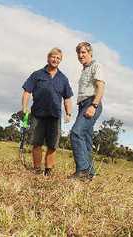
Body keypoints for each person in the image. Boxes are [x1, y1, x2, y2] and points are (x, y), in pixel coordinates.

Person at [22, 48, 73, 176]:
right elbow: (27, 91)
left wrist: (68, 113)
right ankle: (37, 169)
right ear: (48, 58)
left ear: (60, 61)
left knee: (52, 144)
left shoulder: (63, 79)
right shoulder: (37, 74)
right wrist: (24, 107)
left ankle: (48, 170)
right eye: (53, 57)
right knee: (36, 142)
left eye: (58, 58)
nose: (55, 60)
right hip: (38, 114)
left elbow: (67, 98)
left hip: (54, 116)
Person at [69, 42, 105, 180]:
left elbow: (100, 87)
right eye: (79, 53)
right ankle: (90, 173)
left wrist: (93, 105)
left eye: (83, 52)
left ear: (90, 53)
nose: (80, 55)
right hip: (83, 104)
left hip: (91, 103)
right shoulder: (84, 69)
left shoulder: (96, 66)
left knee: (76, 133)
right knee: (86, 139)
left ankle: (82, 170)